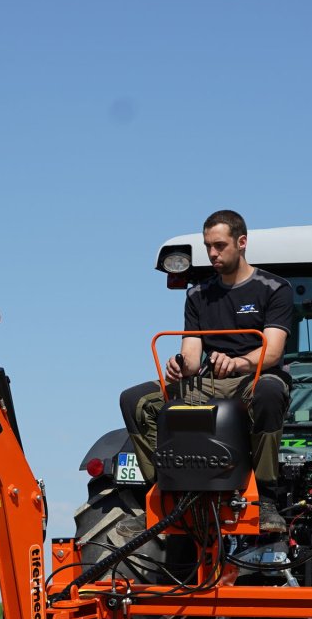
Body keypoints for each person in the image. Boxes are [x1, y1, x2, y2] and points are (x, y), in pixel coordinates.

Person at [121, 210, 292, 532]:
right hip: (208, 382)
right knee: (135, 400)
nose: (213, 253)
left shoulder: (273, 288)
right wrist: (180, 365)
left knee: (270, 392)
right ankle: (159, 495)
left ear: (241, 243)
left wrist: (239, 362)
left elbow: (272, 351)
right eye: (208, 246)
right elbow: (191, 352)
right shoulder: (198, 294)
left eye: (219, 245)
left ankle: (266, 497)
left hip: (251, 378)